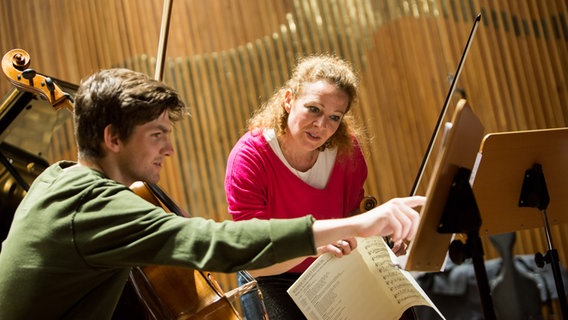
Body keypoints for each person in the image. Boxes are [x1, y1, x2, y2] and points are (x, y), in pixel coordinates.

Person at [0, 68, 424, 320]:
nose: (168, 148)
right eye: (157, 135)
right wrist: (361, 223)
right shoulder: (97, 206)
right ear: (112, 138)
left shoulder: (55, 178)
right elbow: (217, 243)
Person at [225, 54, 417, 319]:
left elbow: (352, 218)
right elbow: (254, 261)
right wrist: (312, 244)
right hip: (274, 278)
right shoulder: (250, 157)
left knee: (400, 311)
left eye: (334, 117)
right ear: (289, 99)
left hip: (332, 269)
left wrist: (380, 241)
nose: (321, 125)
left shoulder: (348, 152)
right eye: (313, 109)